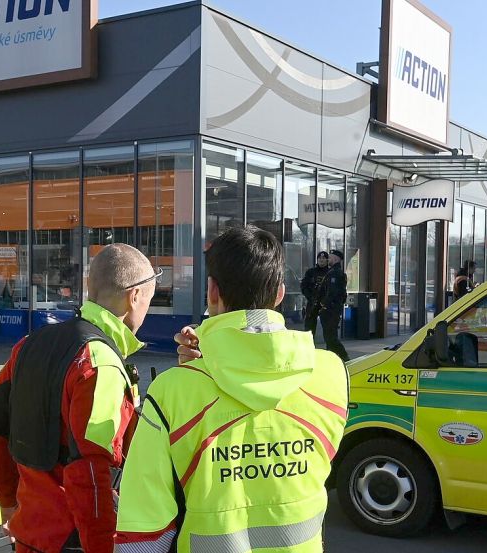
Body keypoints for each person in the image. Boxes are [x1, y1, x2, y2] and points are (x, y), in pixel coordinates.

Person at [114, 226, 349, 553]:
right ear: (279, 294)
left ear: (212, 291)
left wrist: (206, 360)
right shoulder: (331, 373)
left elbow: (144, 534)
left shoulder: (172, 391)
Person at [0, 244, 158, 553]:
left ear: (89, 286)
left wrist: (8, 501)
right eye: (149, 301)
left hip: (30, 534)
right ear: (135, 296)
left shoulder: (30, 344)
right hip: (74, 538)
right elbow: (90, 470)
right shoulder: (100, 363)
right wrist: (101, 546)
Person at [300, 249, 349, 361]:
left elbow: (333, 293)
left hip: (328, 308)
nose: (323, 260)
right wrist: (311, 298)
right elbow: (304, 286)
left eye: (327, 258)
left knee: (330, 336)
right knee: (310, 331)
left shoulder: (333, 273)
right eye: (320, 258)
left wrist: (323, 303)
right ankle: (310, 355)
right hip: (314, 305)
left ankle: (342, 357)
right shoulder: (312, 272)